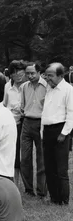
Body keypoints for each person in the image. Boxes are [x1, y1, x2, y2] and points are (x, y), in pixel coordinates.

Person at [42, 63, 73, 205]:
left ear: (61, 76)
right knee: (49, 166)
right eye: (47, 75)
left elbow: (71, 113)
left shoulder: (68, 90)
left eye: (51, 75)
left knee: (61, 168)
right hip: (47, 130)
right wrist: (43, 131)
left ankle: (63, 198)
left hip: (60, 130)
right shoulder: (49, 89)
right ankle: (54, 197)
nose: (48, 78)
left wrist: (64, 132)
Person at [20, 62, 47, 197]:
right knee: (25, 157)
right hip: (27, 121)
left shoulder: (47, 86)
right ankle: (29, 189)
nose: (30, 76)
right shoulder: (24, 87)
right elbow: (22, 106)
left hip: (41, 123)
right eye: (28, 73)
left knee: (41, 159)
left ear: (39, 72)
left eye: (32, 73)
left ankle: (42, 191)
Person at [3, 60, 27, 184]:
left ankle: (21, 183)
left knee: (21, 156)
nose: (17, 75)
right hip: (11, 123)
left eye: (20, 72)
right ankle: (11, 182)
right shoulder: (8, 86)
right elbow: (4, 104)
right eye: (14, 73)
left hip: (23, 123)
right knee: (11, 153)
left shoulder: (27, 86)